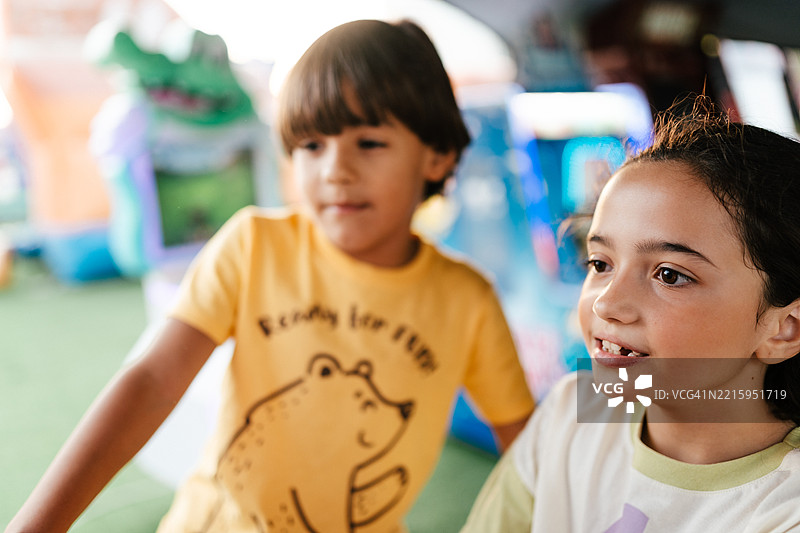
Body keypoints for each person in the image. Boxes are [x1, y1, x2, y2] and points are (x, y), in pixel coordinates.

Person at [5, 19, 534, 533]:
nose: (335, 170)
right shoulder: (253, 246)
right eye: (312, 145)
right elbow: (151, 382)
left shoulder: (467, 301)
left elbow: (532, 453)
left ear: (437, 156)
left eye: (369, 142)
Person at [461, 96, 800, 532]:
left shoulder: (784, 511)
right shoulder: (570, 411)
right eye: (600, 263)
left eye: (670, 275)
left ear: (784, 330)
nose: (606, 303)